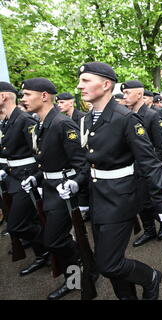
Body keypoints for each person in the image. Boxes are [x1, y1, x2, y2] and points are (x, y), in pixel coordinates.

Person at [76, 62, 162, 300]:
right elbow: (89, 162)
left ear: (106, 84)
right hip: (98, 197)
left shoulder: (126, 119)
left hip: (120, 198)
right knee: (108, 258)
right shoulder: (89, 119)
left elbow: (149, 162)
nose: (80, 86)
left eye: (86, 80)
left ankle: (151, 277)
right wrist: (78, 189)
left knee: (108, 264)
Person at [20, 78, 87, 300]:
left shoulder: (61, 123)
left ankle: (77, 276)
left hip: (63, 191)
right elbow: (47, 161)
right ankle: (85, 267)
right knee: (55, 239)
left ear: (44, 96)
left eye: (27, 94)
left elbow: (82, 163)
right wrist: (35, 178)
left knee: (54, 240)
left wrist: (75, 183)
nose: (23, 99)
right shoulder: (41, 123)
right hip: (49, 188)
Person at [0, 81, 49, 277]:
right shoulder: (8, 120)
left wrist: (36, 177)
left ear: (3, 97)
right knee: (28, 219)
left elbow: (39, 153)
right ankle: (43, 254)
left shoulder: (24, 119)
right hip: (13, 177)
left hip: (26, 177)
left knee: (17, 225)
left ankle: (53, 245)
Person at [121, 80, 162, 247]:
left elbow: (160, 145)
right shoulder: (125, 116)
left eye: (128, 93)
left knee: (152, 200)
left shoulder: (152, 115)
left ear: (140, 94)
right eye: (124, 93)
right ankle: (149, 230)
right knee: (140, 202)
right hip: (131, 168)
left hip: (148, 167)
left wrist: (152, 164)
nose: (124, 96)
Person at [56, 92, 90, 222]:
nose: (59, 105)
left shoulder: (82, 117)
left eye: (62, 102)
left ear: (71, 102)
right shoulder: (62, 119)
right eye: (58, 103)